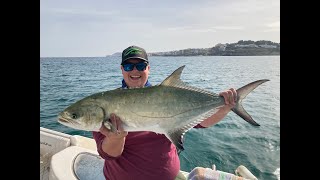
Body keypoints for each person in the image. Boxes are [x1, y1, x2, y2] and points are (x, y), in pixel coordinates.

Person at [92, 45, 237, 180]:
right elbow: (109, 154)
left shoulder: (168, 97)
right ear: (122, 69)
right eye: (129, 66)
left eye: (141, 66)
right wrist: (115, 139)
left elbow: (203, 123)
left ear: (148, 68)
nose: (135, 71)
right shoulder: (107, 102)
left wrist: (223, 107)